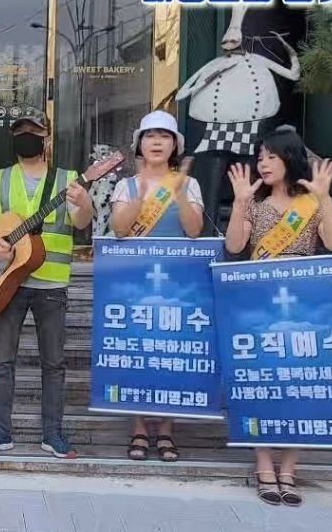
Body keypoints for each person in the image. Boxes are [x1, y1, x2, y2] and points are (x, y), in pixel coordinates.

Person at [0, 112, 94, 459]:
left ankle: (53, 434)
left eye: (33, 131)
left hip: (52, 285)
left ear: (46, 137)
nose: (27, 136)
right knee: (2, 361)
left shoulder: (68, 179)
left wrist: (84, 203)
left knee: (54, 363)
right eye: (20, 131)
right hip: (7, 281)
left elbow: (81, 223)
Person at [224, 126, 332, 507]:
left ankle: (289, 469)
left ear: (290, 159)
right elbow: (234, 246)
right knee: (261, 383)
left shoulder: (312, 202)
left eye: (271, 157)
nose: (263, 163)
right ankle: (263, 465)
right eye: (260, 158)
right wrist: (240, 202)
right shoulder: (255, 203)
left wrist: (324, 198)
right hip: (260, 303)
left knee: (298, 385)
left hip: (303, 304)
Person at [110, 110, 204, 463]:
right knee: (137, 353)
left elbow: (194, 230)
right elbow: (120, 229)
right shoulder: (126, 185)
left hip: (177, 284)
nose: (157, 142)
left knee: (170, 355)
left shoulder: (189, 185)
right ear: (140, 144)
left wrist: (177, 192)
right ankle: (138, 427)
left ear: (174, 145)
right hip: (134, 284)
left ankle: (166, 429)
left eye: (165, 137)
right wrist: (141, 194)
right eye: (151, 136)